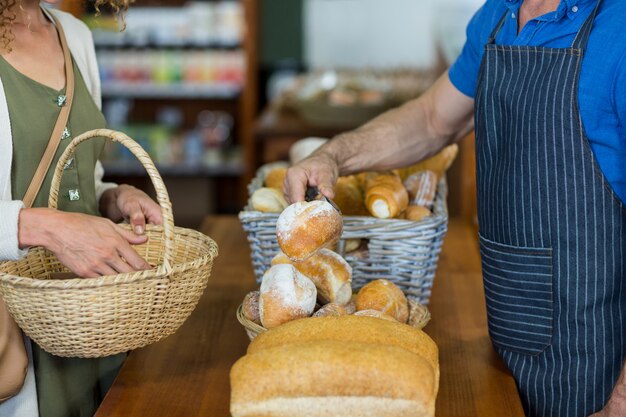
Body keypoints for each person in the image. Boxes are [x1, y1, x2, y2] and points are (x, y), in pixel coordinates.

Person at [284, 0, 626, 416]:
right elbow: (432, 119)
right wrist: (333, 156)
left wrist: (620, 402)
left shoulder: (618, 28)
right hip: (508, 342)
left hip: (597, 372)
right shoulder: (501, 14)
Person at [0, 0, 163, 416]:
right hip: (15, 338)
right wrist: (44, 228)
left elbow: (78, 177)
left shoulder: (75, 34)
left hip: (95, 323)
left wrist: (113, 196)